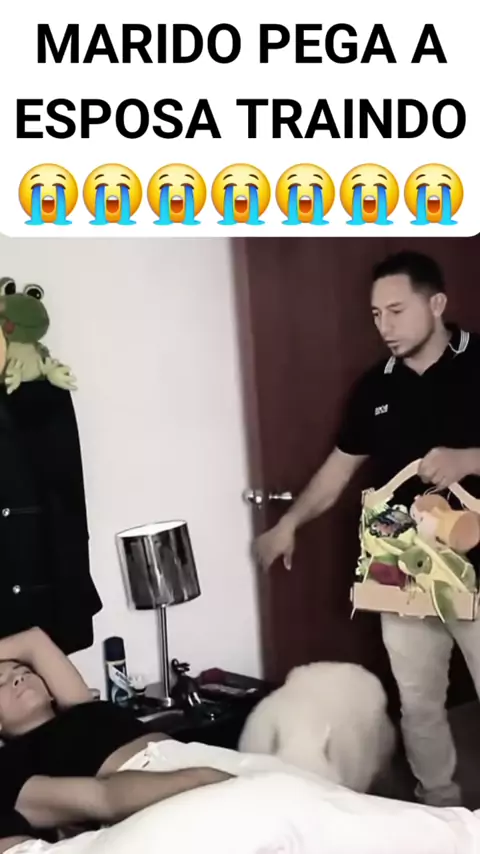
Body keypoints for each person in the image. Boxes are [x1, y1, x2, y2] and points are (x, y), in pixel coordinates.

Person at [255, 249, 480, 809]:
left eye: (397, 311)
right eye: (377, 314)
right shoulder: (374, 388)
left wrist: (468, 459)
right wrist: (290, 523)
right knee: (418, 702)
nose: (385, 326)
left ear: (437, 304)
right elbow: (338, 469)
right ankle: (440, 808)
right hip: (400, 563)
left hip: (476, 555)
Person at [0, 626, 233, 853]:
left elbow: (34, 640)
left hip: (194, 757)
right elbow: (103, 798)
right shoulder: (9, 763)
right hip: (157, 788)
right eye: (1, 682)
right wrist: (200, 778)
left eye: (25, 672)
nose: (19, 679)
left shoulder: (80, 706)